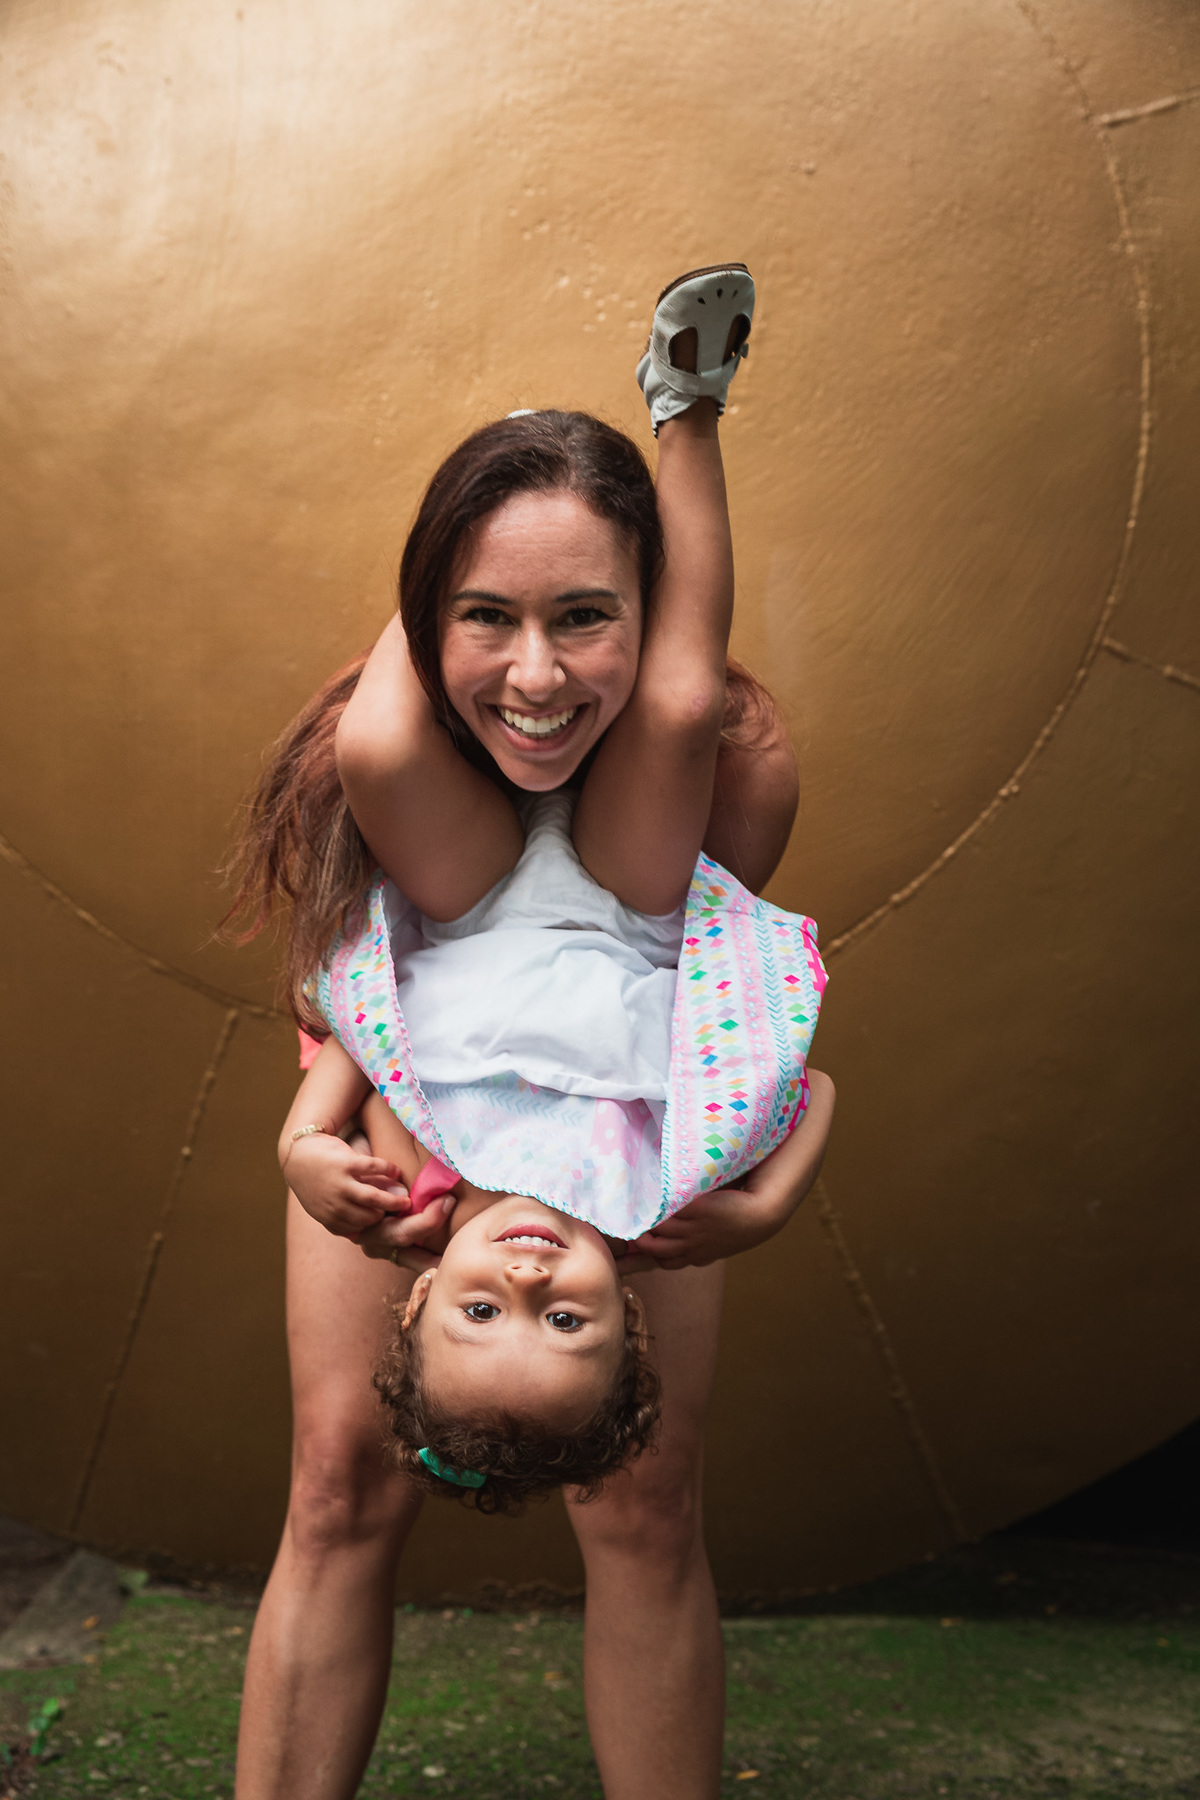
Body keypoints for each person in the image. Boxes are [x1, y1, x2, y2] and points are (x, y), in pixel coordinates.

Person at [228, 265, 832, 1799]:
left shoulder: (713, 765)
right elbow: (355, 1001)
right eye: (484, 615)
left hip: (621, 1028)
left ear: (644, 601)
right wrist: (314, 1148)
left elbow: (706, 985)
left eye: (584, 615)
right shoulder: (397, 754)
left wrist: (761, 1193)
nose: (536, 672)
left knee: (644, 1498)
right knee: (338, 1486)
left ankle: (679, 421)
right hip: (409, 1043)